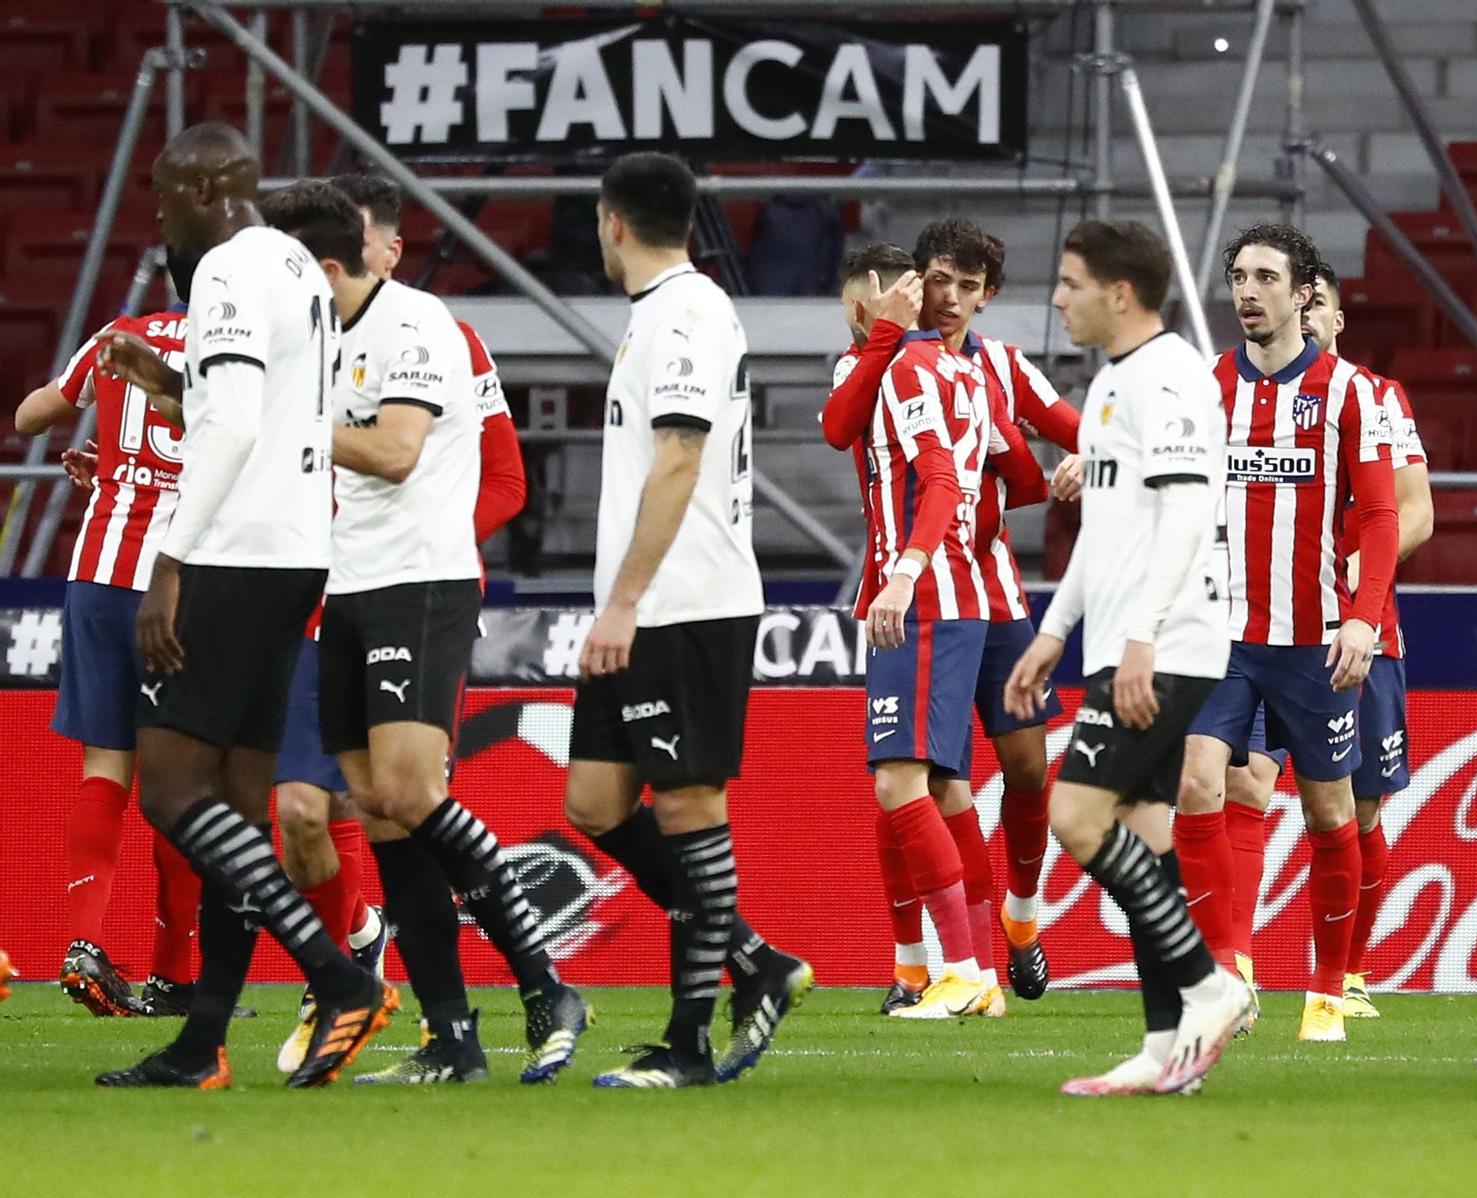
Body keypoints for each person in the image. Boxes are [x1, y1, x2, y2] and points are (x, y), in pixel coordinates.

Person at [256, 180, 590, 1086]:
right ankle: (451, 1036)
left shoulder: (419, 327)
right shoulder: (318, 338)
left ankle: (547, 984)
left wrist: (283, 420)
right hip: (348, 589)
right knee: (381, 812)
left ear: (334, 264)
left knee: (409, 791)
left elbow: (399, 453)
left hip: (422, 582)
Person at [89, 123, 395, 1090]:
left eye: (164, 190)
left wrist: (170, 559)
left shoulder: (225, 266)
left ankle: (339, 976)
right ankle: (201, 1043)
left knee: (173, 789)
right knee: (236, 804)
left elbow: (229, 425)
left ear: (209, 186)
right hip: (298, 550)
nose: (156, 210)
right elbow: (253, 411)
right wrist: (166, 383)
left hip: (235, 553)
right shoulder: (297, 270)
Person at [563, 152, 810, 1088]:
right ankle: (759, 961)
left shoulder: (687, 316)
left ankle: (690, 1043)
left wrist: (624, 602)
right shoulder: (659, 316)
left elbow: (678, 463)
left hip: (686, 601)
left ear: (610, 222)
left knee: (688, 805)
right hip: (645, 605)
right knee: (594, 801)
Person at [1004, 219, 1250, 1096]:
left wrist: (1143, 634)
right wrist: (1051, 632)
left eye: (1070, 283)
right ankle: (1164, 1044)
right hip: (1122, 639)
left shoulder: (1173, 377)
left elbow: (1188, 514)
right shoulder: (1114, 383)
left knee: (1077, 816)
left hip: (1167, 643)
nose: (1058, 298)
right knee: (1146, 834)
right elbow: (1107, 534)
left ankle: (1210, 986)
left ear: (1120, 292)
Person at [821, 221, 1072, 1013]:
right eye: (940, 282)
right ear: (913, 288)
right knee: (929, 780)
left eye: (969, 286)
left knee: (1007, 769)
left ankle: (1013, 931)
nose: (952, 298)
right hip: (933, 580)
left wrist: (1079, 463)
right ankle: (919, 963)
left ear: (986, 295)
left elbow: (1031, 463)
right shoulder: (884, 362)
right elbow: (840, 430)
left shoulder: (992, 367)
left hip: (967, 590)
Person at [1172, 224, 1400, 1045]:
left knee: (1329, 809)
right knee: (1199, 780)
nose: (1247, 291)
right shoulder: (1210, 385)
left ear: (1304, 294)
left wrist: (1366, 616)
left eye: (1265, 277)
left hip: (1313, 640)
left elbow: (1379, 514)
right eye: (1238, 276)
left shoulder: (1349, 394)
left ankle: (1329, 992)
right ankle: (1227, 967)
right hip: (1222, 635)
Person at [1222, 269, 1433, 1020]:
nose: (1301, 315)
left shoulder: (1373, 397)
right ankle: (1235, 969)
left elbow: (1414, 512)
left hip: (1355, 626)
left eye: (1315, 304)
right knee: (1242, 780)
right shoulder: (1232, 388)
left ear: (1337, 320)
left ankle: (1342, 973)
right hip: (1254, 628)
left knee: (1355, 809)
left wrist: (1360, 589)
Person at [17, 310, 203, 1018]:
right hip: (186, 583)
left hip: (99, 571)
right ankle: (175, 974)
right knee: (183, 783)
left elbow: (32, 415)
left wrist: (117, 464)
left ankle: (83, 943)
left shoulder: (122, 331)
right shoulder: (240, 339)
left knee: (105, 767)